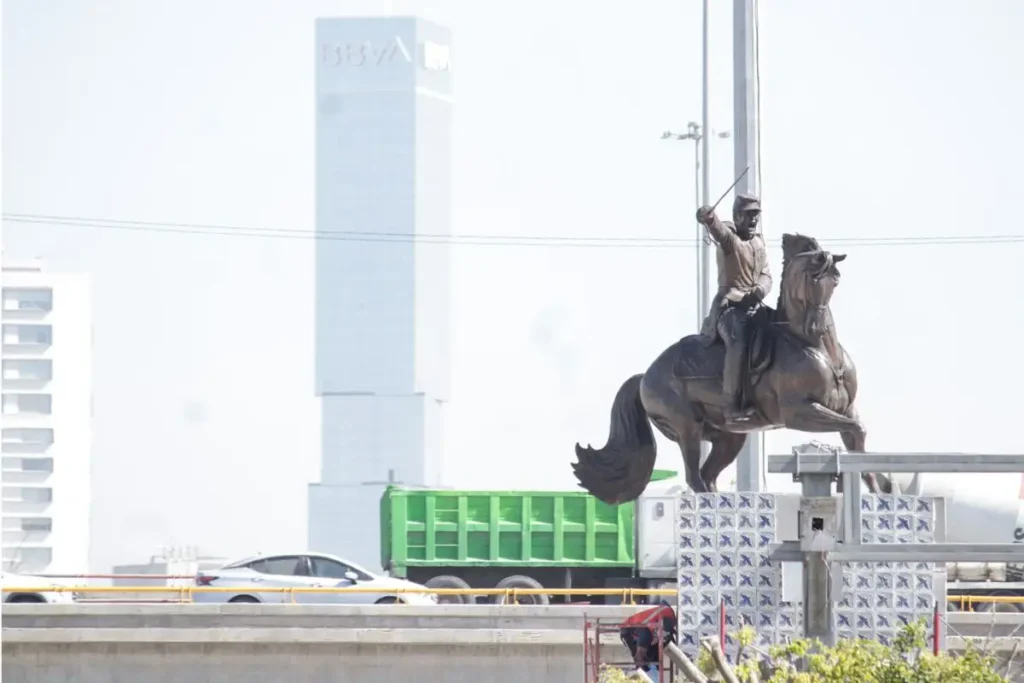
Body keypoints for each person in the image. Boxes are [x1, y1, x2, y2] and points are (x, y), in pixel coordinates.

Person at [696, 193, 773, 425]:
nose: (753, 220)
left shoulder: (759, 242)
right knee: (737, 342)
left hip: (755, 305)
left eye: (755, 215)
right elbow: (718, 231)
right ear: (737, 216)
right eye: (748, 215)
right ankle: (730, 405)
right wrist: (709, 219)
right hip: (729, 307)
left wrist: (760, 289)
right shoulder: (730, 240)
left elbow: (766, 274)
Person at [619, 600, 677, 676]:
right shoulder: (644, 633)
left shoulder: (663, 619)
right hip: (628, 629)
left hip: (647, 623)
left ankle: (649, 664)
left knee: (653, 649)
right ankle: (644, 668)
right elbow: (639, 654)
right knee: (641, 653)